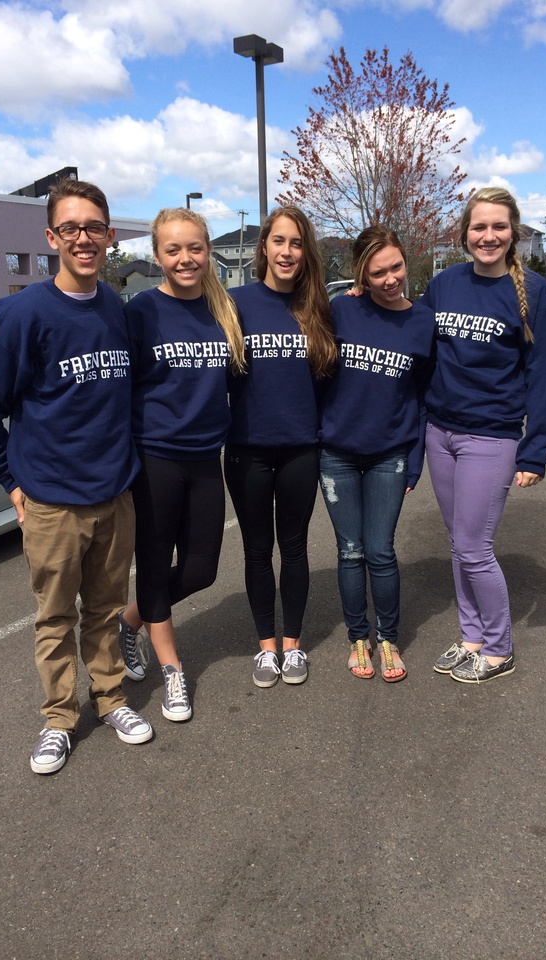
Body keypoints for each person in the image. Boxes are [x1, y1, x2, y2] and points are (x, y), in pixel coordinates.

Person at [0, 178, 153, 775]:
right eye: (69, 229)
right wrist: (10, 481)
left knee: (105, 610)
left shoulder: (115, 310)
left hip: (112, 494)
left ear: (109, 237)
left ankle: (112, 698)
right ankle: (58, 719)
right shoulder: (20, 315)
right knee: (55, 618)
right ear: (51, 238)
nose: (82, 238)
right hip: (50, 502)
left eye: (93, 228)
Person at [422, 186, 546, 683]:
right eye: (479, 227)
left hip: (492, 438)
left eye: (499, 227)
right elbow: (414, 340)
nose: (489, 236)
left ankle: (499, 649)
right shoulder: (444, 285)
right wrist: (364, 296)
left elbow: (541, 376)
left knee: (475, 546)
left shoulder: (536, 294)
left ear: (514, 233)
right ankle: (471, 636)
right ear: (464, 234)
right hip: (440, 434)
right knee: (459, 541)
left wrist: (535, 451)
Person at [119, 208, 245, 721]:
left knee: (201, 570)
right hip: (155, 459)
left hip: (204, 459)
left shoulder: (225, 310)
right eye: (173, 250)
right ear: (157, 256)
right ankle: (172, 670)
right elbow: (116, 387)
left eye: (194, 247)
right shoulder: (141, 312)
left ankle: (129, 621)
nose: (185, 258)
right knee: (153, 566)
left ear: (208, 250)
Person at [224, 206, 337, 688]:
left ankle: (293, 645)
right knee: (255, 549)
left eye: (296, 243)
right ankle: (265, 647)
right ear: (263, 248)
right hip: (247, 449)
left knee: (293, 548)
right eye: (279, 241)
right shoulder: (234, 303)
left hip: (299, 449)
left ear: (304, 251)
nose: (287, 251)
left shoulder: (316, 308)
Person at [318, 225, 435, 681]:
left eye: (397, 267)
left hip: (390, 455)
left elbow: (423, 397)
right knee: (350, 552)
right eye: (378, 271)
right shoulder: (342, 309)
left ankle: (388, 638)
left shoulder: (422, 322)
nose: (391, 279)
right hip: (337, 455)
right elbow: (317, 372)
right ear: (362, 274)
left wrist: (416, 457)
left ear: (406, 261)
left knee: (381, 552)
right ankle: (357, 639)